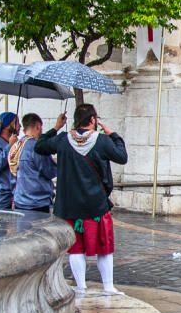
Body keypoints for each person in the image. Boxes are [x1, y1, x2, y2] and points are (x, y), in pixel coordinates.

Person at [35, 103, 128, 295]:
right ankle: (108, 286)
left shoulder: (62, 140)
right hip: (96, 206)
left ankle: (81, 286)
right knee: (104, 246)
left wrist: (56, 127)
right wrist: (113, 134)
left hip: (69, 206)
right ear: (93, 120)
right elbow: (122, 156)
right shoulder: (102, 141)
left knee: (76, 248)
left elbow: (40, 145)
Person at [12, 112, 64, 213]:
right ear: (38, 126)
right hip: (37, 203)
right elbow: (50, 172)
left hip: (20, 201)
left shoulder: (17, 145)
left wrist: (56, 128)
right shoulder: (37, 148)